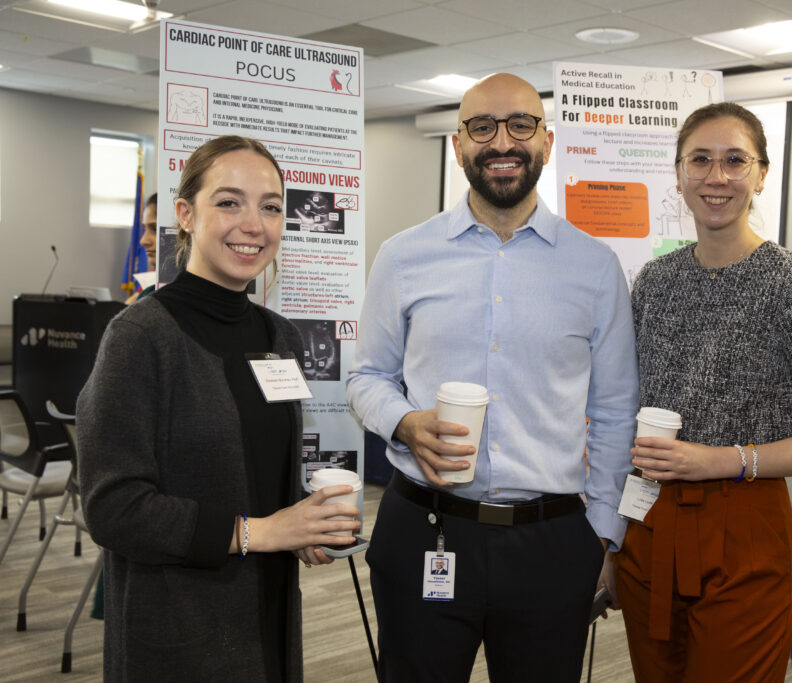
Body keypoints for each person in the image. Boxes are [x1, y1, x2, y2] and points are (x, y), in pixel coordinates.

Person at [347, 73, 638, 682]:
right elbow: (367, 377)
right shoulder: (404, 256)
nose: (502, 142)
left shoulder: (595, 267)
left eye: (520, 125)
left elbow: (615, 412)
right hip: (425, 528)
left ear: (547, 142)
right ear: (458, 146)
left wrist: (602, 535)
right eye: (482, 127)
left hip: (552, 542)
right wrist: (405, 422)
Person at [77, 135, 360, 682]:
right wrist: (263, 532)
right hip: (178, 629)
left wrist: (302, 525)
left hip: (269, 618)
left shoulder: (279, 335)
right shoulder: (140, 337)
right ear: (185, 214)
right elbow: (113, 507)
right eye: (229, 202)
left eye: (270, 207)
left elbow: (250, 470)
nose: (253, 224)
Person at [613, 102, 792, 682]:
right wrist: (611, 543)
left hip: (745, 527)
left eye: (735, 160)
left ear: (761, 175)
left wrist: (721, 460)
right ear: (679, 174)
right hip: (648, 522)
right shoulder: (655, 282)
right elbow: (627, 418)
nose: (717, 176)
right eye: (700, 160)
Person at [125, 192, 158, 305]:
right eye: (145, 229)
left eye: (155, 229)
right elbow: (128, 306)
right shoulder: (155, 277)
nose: (143, 241)